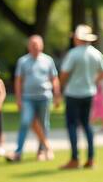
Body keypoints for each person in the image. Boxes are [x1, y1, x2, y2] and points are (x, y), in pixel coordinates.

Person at [6, 35, 61, 163]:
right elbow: (18, 81)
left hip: (44, 97)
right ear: (29, 46)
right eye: (32, 45)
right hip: (28, 98)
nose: (35, 47)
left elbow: (54, 78)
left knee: (44, 124)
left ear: (41, 46)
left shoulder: (48, 60)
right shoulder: (23, 61)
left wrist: (57, 94)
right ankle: (18, 151)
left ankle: (42, 150)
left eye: (37, 45)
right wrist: (18, 98)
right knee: (26, 121)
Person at [59, 25, 103, 169]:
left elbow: (64, 74)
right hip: (89, 93)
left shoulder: (73, 54)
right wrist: (93, 81)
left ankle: (75, 158)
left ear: (78, 38)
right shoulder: (96, 53)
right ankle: (91, 158)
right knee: (87, 125)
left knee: (72, 125)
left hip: (73, 93)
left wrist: (60, 86)